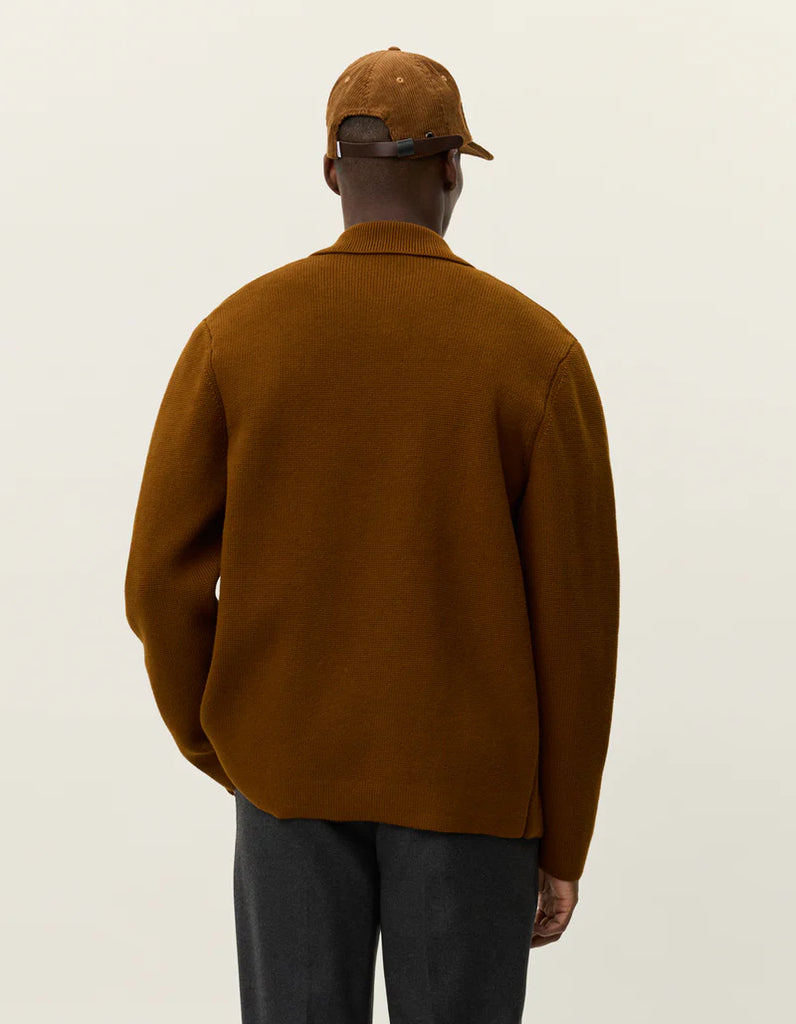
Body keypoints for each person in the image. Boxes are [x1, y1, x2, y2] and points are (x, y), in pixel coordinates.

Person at [124, 46, 620, 1024]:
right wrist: (564, 838)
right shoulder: (535, 354)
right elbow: (577, 625)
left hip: (287, 781)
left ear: (330, 171)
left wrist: (227, 743)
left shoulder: (236, 338)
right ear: (452, 170)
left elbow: (156, 585)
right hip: (472, 794)